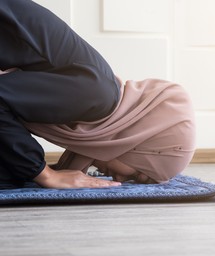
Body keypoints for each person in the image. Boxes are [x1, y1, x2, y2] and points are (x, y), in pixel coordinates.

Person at [0, 0, 195, 189]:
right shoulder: (98, 96)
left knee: (12, 172)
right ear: (137, 144)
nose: (120, 179)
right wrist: (45, 174)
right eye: (136, 174)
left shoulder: (97, 102)